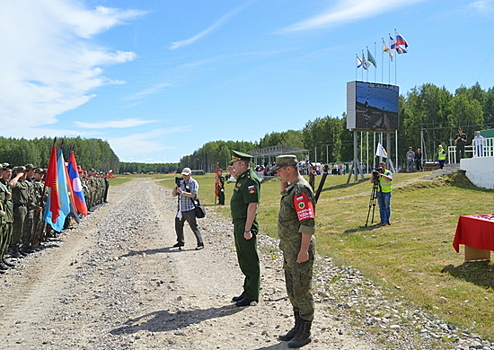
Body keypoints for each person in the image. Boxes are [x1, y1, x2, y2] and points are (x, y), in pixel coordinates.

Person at [273, 155, 316, 348]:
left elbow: (307, 222)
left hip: (299, 248)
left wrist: (304, 250)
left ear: (289, 169)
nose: (277, 173)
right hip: (290, 248)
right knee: (292, 289)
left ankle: (305, 330)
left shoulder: (300, 189)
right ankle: (298, 326)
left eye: (279, 170)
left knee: (301, 289)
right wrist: (283, 188)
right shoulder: (291, 188)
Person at [229, 150, 261, 307]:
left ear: (242, 163)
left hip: (245, 223)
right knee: (243, 257)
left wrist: (248, 229)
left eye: (235, 163)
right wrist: (234, 175)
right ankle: (247, 290)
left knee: (250, 259)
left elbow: (253, 205)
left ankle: (252, 295)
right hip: (240, 223)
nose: (233, 166)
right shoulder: (242, 178)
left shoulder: (251, 180)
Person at [171, 167, 204, 250]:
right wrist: (176, 189)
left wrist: (182, 192)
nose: (184, 177)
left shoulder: (193, 183)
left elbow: (193, 195)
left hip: (190, 209)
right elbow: (174, 195)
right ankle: (180, 241)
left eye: (186, 175)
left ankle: (200, 243)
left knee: (193, 226)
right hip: (181, 210)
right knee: (178, 225)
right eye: (183, 175)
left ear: (190, 175)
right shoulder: (181, 183)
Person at [370, 161, 392, 225]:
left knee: (386, 206)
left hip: (387, 192)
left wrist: (381, 175)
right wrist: (373, 175)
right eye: (380, 166)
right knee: (381, 206)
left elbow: (389, 179)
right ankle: (382, 220)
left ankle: (386, 220)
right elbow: (372, 181)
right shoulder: (377, 173)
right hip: (379, 191)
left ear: (385, 166)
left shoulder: (388, 172)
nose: (381, 168)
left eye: (383, 166)